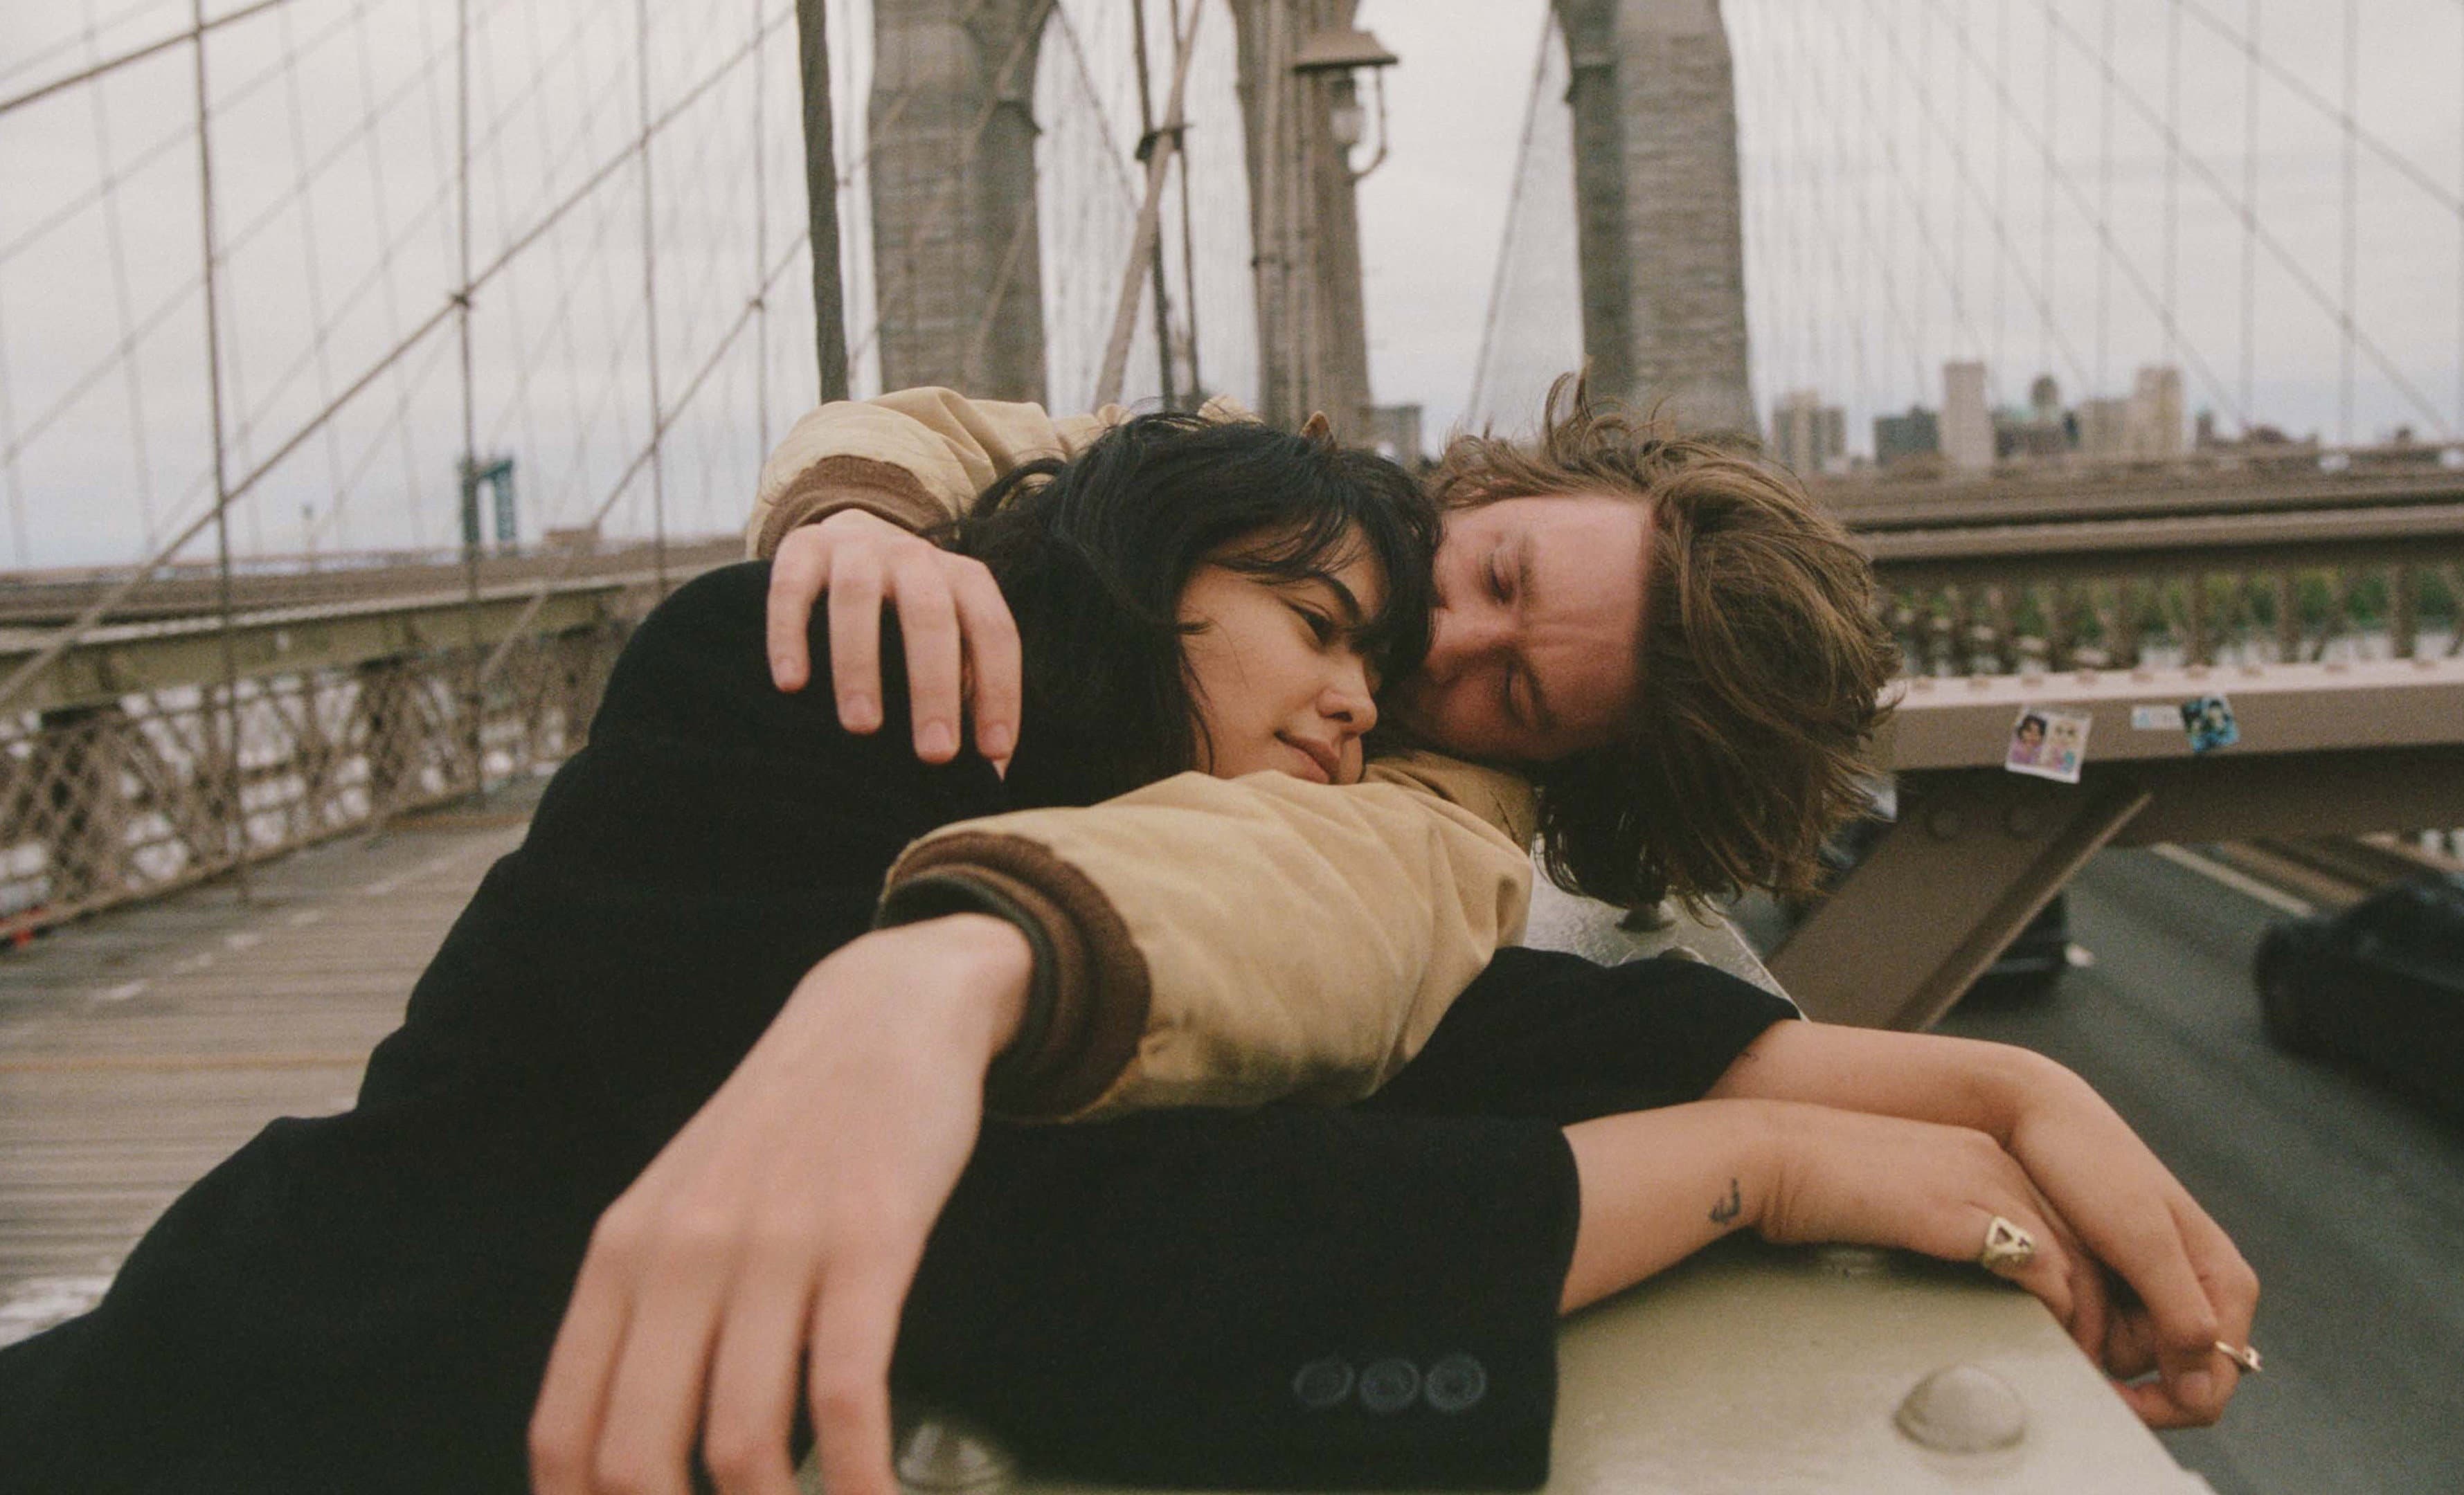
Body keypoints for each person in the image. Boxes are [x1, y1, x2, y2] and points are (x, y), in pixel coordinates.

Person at [0, 416, 2251, 1495]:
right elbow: (1086, 1267)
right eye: (1406, 599)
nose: (1399, 673)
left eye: (1496, 690)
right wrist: (866, 509)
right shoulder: (801, 684)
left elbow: (1440, 1003)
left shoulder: (1385, 815)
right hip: (215, 1416)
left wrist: (1962, 1090)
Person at [741, 379, 2259, 1428]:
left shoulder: (1441, 828)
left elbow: (1301, 901)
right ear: (1491, 489)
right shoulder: (1271, 501)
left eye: (1517, 694)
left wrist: (984, 956)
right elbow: (979, 437)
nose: (1442, 643)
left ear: (1550, 769)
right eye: (1499, 572)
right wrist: (867, 519)